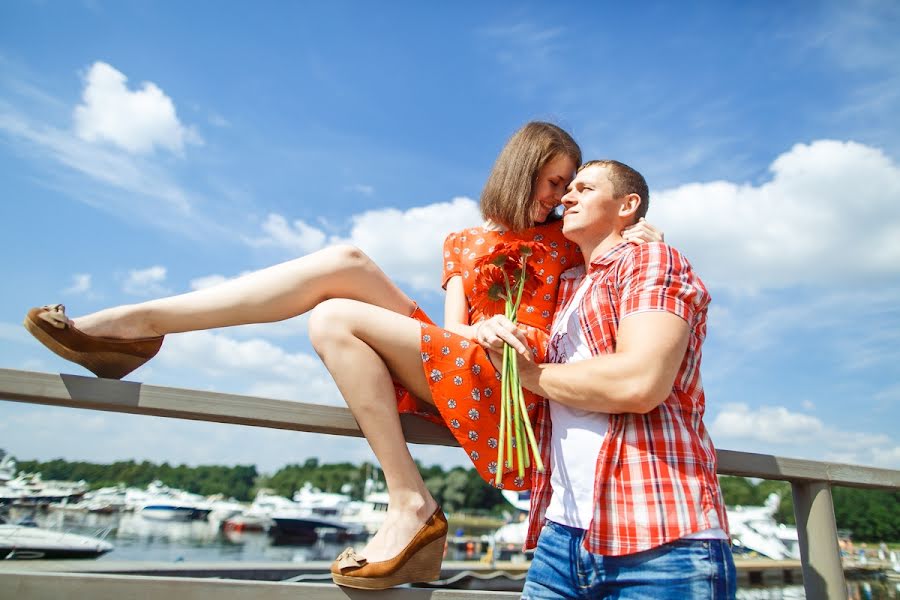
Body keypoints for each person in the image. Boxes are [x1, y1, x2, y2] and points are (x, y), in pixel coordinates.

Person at [22, 122, 663, 589]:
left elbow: (618, 234)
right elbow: (456, 327)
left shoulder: (565, 237)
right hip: (462, 360)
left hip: (515, 387)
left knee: (333, 315)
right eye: (552, 181)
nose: (558, 196)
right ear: (522, 167)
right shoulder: (466, 239)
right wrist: (478, 326)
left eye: (567, 186)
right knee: (345, 265)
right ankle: (134, 327)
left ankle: (410, 503)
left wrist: (641, 228)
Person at [481, 160, 735, 598]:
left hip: (658, 534)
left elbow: (640, 382)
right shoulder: (567, 287)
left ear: (628, 205)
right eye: (566, 189)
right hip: (560, 536)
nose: (566, 197)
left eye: (584, 187)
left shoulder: (654, 258)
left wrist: (528, 375)